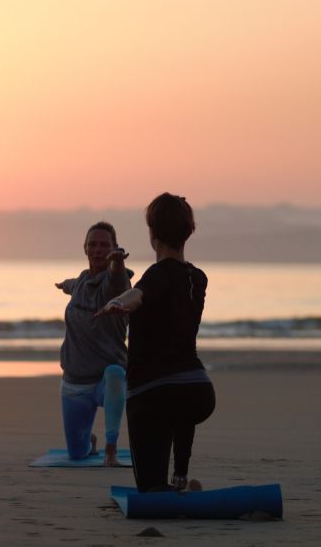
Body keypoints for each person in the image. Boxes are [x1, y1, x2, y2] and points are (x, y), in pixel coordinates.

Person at [97, 193, 214, 493]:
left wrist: (118, 302)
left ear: (153, 234)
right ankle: (181, 480)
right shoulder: (198, 279)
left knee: (148, 490)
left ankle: (172, 488)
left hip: (153, 394)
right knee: (178, 406)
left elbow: (139, 294)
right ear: (189, 232)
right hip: (198, 390)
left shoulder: (156, 274)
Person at [55, 222, 131, 466]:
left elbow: (116, 276)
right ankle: (91, 442)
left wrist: (117, 262)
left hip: (105, 382)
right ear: (85, 249)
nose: (98, 250)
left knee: (115, 373)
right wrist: (62, 285)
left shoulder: (117, 286)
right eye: (93, 245)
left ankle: (111, 449)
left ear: (113, 248)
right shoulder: (80, 283)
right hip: (75, 382)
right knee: (77, 454)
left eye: (104, 245)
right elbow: (72, 284)